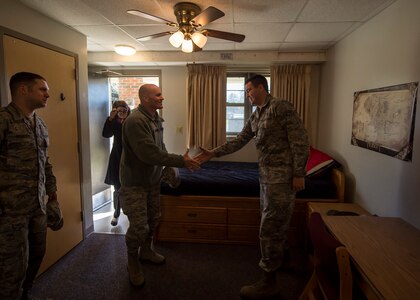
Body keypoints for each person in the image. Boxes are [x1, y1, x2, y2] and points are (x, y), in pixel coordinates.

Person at [195, 74, 309, 299]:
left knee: (268, 229)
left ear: (261, 88)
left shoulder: (280, 107)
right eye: (246, 91)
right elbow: (239, 140)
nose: (246, 95)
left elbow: (300, 140)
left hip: (282, 179)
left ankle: (269, 282)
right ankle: (283, 261)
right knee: (275, 224)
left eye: (249, 90)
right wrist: (212, 153)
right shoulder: (256, 116)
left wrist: (298, 173)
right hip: (265, 178)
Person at [119, 83, 200, 287]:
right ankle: (132, 262)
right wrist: (181, 161)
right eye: (158, 95)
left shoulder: (155, 118)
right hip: (134, 183)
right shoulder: (135, 121)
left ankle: (146, 252)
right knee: (139, 226)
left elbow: (160, 147)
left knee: (153, 219)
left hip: (152, 180)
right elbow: (148, 153)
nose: (162, 98)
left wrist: (168, 167)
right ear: (145, 98)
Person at [0, 72, 60, 300]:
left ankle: (25, 293)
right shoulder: (4, 120)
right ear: (23, 90)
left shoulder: (39, 123)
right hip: (9, 213)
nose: (48, 94)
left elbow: (45, 162)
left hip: (37, 206)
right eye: (42, 89)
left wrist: (52, 193)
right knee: (11, 268)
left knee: (37, 253)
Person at [102, 100, 130, 226]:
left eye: (124, 109)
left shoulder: (132, 120)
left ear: (127, 109)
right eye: (118, 110)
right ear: (114, 110)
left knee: (130, 186)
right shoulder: (113, 121)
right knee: (117, 187)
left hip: (130, 158)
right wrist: (110, 118)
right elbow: (106, 134)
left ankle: (131, 214)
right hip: (116, 157)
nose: (121, 112)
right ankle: (116, 212)